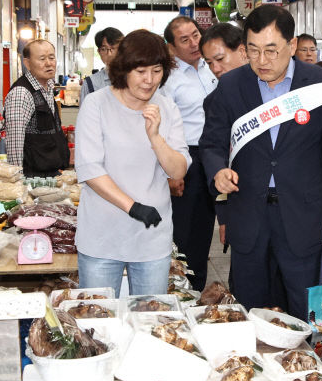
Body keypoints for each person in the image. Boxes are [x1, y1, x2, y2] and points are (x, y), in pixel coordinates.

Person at [199, 5, 322, 320]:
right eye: (252, 51)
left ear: (291, 46)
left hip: (303, 215)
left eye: (271, 51)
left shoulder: (320, 86)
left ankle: (308, 367)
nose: (262, 61)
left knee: (305, 307)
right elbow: (211, 143)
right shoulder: (231, 85)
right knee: (250, 305)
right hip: (248, 213)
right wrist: (217, 171)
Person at [74, 30, 190, 297]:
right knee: (98, 322)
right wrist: (133, 207)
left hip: (151, 239)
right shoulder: (96, 104)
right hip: (102, 235)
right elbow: (90, 168)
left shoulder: (167, 108)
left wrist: (155, 137)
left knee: (150, 319)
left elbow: (178, 169)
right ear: (124, 69)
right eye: (140, 71)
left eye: (157, 70)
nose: (149, 80)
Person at [161, 16, 218, 291]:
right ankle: (178, 290)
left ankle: (197, 290)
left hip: (215, 156)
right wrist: (173, 172)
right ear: (172, 47)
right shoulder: (169, 79)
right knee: (183, 231)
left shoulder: (212, 67)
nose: (195, 43)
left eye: (196, 34)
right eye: (185, 40)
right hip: (187, 158)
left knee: (205, 230)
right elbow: (164, 127)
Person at [199, 23, 248, 251]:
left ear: (242, 50)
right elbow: (216, 153)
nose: (215, 68)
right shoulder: (214, 101)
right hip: (242, 204)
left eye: (220, 58)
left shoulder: (276, 89)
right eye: (209, 63)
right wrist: (224, 217)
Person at [5, 39, 69, 177]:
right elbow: (14, 144)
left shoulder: (47, 89)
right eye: (42, 59)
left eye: (51, 58)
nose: (48, 63)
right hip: (31, 178)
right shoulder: (21, 93)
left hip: (50, 175)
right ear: (27, 63)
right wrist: (17, 180)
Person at [80, 27, 124, 105]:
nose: (110, 54)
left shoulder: (132, 79)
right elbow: (84, 115)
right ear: (99, 52)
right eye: (104, 49)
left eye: (114, 48)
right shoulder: (90, 83)